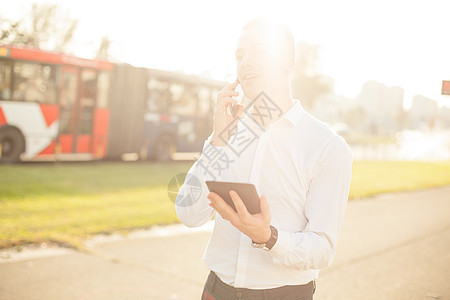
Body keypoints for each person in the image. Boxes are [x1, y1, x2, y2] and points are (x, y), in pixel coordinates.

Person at [175, 18, 353, 300]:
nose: (245, 62)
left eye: (258, 51)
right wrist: (217, 139)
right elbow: (189, 214)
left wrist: (268, 237)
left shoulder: (327, 147)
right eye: (239, 55)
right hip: (216, 290)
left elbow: (323, 249)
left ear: (288, 62)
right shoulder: (227, 135)